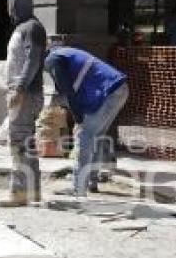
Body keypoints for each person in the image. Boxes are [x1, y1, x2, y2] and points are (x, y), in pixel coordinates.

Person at [44, 47, 129, 196]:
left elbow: (68, 92)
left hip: (109, 92)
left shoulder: (52, 60)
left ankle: (78, 189)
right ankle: (91, 182)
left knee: (84, 136)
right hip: (118, 90)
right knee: (96, 137)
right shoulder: (65, 53)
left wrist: (78, 119)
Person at [0, 0, 47, 208]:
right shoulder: (27, 27)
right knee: (26, 143)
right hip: (25, 93)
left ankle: (19, 192)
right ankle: (34, 190)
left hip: (25, 95)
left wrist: (19, 88)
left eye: (10, 4)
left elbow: (33, 59)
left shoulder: (32, 28)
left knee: (18, 142)